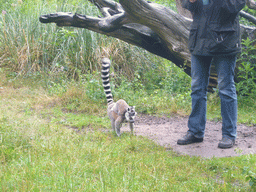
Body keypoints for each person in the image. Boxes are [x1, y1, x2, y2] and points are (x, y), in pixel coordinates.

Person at [177, 0, 246, 148]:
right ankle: (195, 132)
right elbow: (187, 5)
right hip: (199, 38)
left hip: (225, 39)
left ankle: (229, 135)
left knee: (226, 88)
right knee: (197, 87)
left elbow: (235, 6)